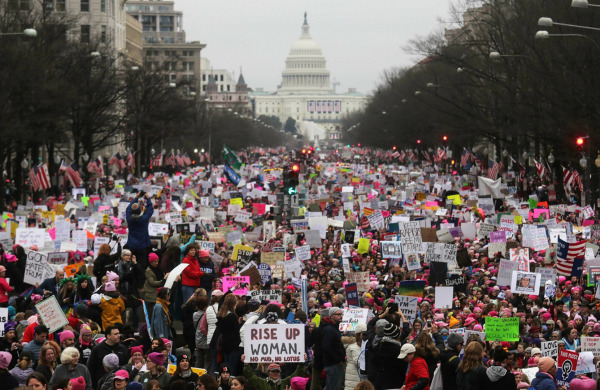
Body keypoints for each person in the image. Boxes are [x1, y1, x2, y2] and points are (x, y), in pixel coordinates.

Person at [241, 354, 306, 390]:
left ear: (280, 372)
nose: (275, 373)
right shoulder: (261, 382)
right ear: (268, 372)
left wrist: (302, 363)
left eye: (277, 371)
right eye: (273, 371)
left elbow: (297, 374)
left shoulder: (285, 382)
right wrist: (246, 364)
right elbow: (250, 376)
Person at [116, 249, 143, 328]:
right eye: (126, 255)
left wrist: (135, 263)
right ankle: (123, 327)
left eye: (129, 255)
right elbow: (120, 278)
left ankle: (135, 327)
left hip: (132, 291)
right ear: (122, 256)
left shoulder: (133, 265)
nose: (128, 257)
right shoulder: (118, 266)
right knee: (122, 310)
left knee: (135, 310)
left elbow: (141, 272)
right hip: (123, 290)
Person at [126, 192, 154, 269]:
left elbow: (128, 209)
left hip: (132, 245)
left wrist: (136, 197)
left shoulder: (129, 219)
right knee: (142, 266)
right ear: (139, 211)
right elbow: (150, 210)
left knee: (132, 265)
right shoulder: (144, 219)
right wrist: (148, 198)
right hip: (142, 246)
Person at [320, 306, 346, 390]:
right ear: (331, 316)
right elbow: (326, 347)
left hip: (334, 364)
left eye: (341, 314)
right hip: (333, 365)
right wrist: (337, 360)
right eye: (338, 314)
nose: (341, 316)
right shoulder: (330, 330)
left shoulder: (334, 328)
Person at [216, 294, 241, 374]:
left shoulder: (221, 315)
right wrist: (240, 323)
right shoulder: (232, 316)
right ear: (233, 305)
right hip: (233, 345)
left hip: (225, 343)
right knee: (232, 367)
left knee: (227, 366)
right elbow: (237, 330)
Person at [142, 253, 169, 320]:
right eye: (155, 261)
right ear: (151, 262)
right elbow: (152, 283)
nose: (156, 263)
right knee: (152, 315)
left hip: (158, 294)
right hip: (151, 296)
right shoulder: (149, 271)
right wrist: (163, 280)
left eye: (157, 261)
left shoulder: (159, 269)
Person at [343, 323, 364, 390]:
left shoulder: (358, 345)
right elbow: (357, 361)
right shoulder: (355, 346)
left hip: (354, 376)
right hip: (354, 376)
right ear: (361, 334)